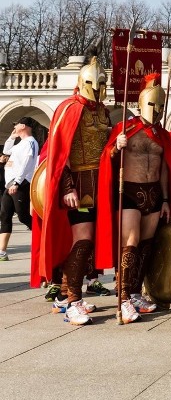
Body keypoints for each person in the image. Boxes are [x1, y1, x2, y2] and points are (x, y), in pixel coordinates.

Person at [95, 73, 171, 324]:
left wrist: (165, 199)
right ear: (142, 103)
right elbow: (107, 159)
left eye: (161, 106)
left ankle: (134, 292)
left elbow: (165, 168)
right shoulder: (125, 128)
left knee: (146, 245)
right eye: (153, 104)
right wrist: (115, 147)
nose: (157, 110)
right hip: (129, 191)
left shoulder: (162, 135)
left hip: (153, 193)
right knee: (130, 242)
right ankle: (122, 297)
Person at [32, 54, 110, 325]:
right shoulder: (69, 108)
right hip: (77, 185)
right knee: (83, 240)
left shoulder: (103, 111)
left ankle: (65, 294)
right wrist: (66, 185)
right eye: (93, 82)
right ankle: (74, 299)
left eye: (101, 82)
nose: (97, 88)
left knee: (87, 243)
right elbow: (59, 151)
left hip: (99, 184)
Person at [0, 118, 38, 260]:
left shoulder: (30, 142)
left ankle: (42, 236)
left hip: (20, 184)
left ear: (23, 126)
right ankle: (2, 251)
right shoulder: (20, 143)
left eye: (16, 125)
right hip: (10, 184)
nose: (14, 127)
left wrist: (17, 182)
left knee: (23, 216)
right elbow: (6, 150)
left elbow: (27, 163)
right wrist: (11, 137)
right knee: (5, 215)